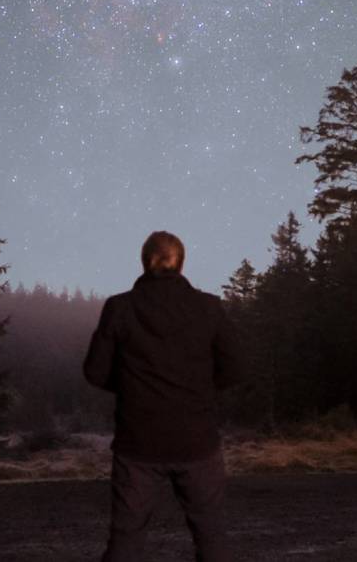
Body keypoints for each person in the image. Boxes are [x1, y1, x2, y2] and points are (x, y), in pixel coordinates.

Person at [84, 231, 244, 562]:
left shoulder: (119, 308)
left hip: (138, 444)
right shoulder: (209, 307)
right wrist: (198, 390)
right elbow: (237, 368)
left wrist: (133, 387)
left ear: (145, 262)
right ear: (181, 264)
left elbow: (95, 372)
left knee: (126, 539)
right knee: (212, 536)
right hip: (197, 442)